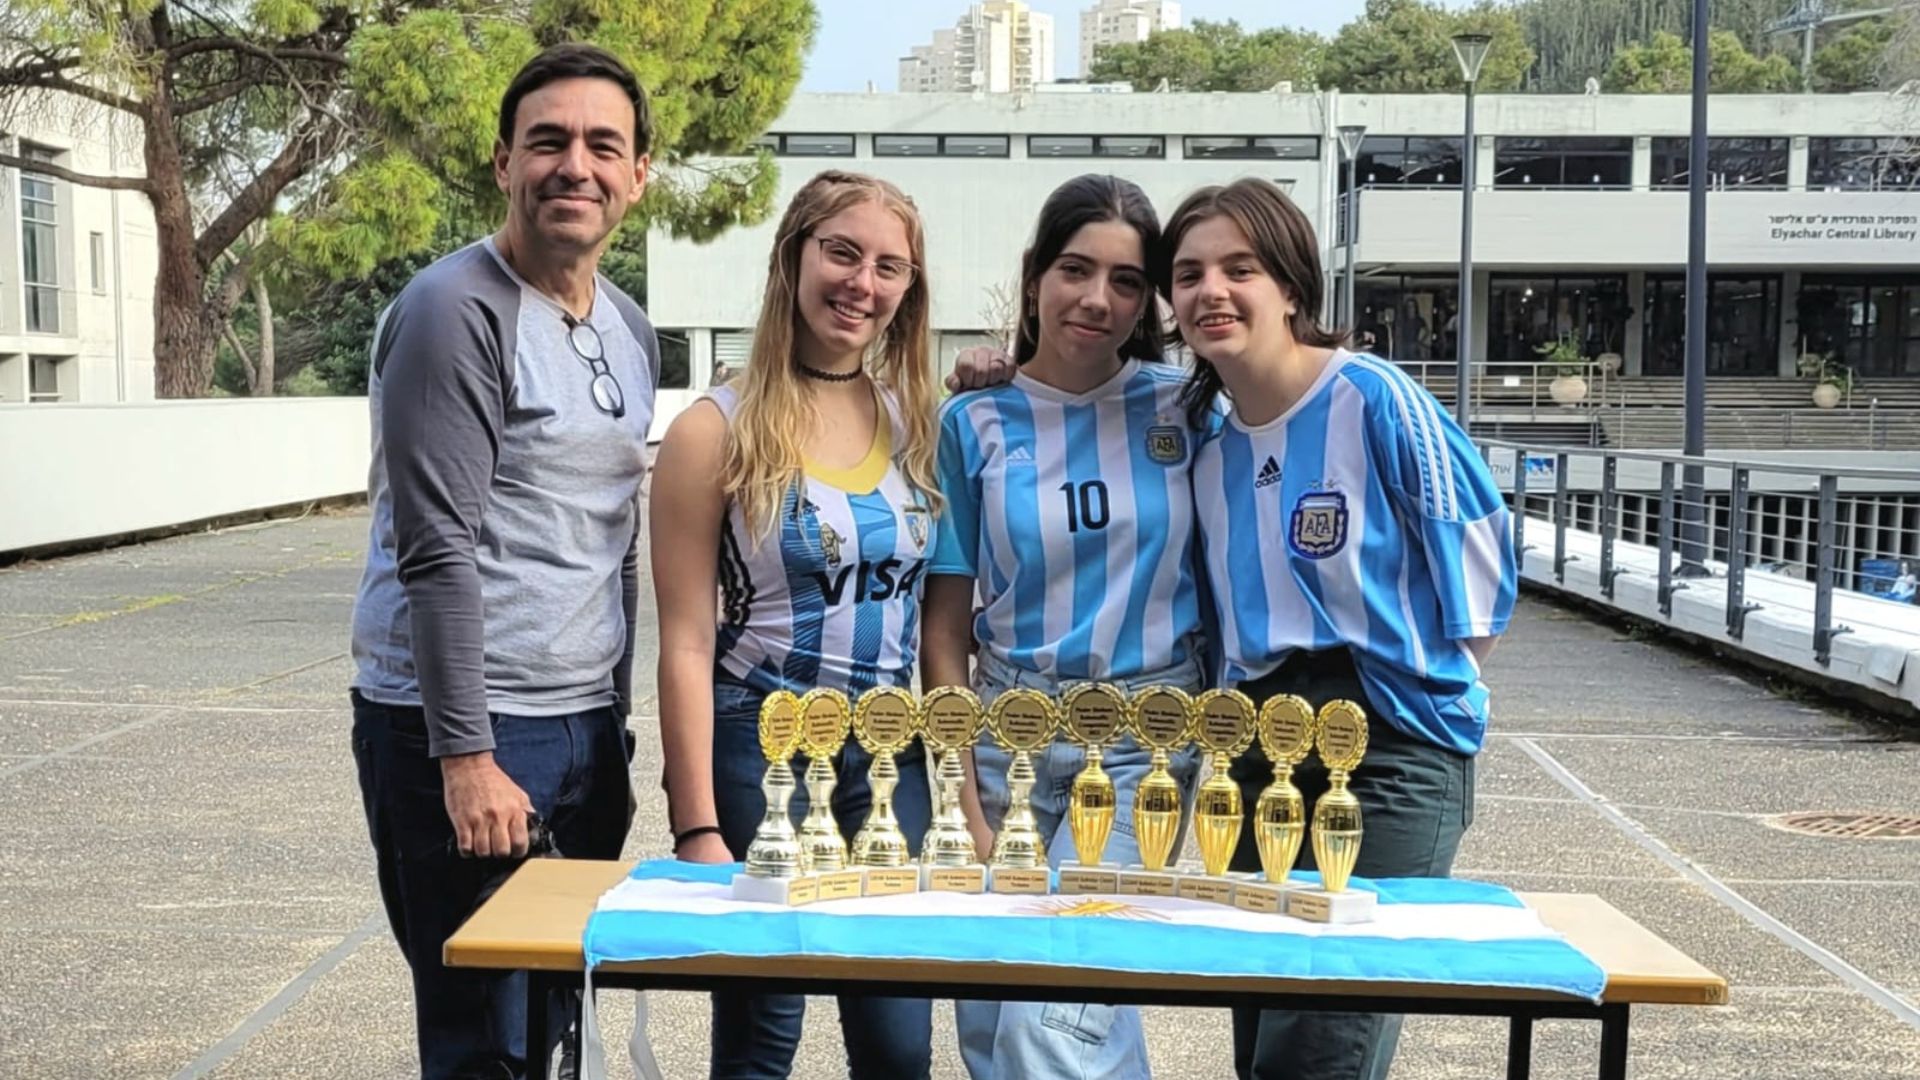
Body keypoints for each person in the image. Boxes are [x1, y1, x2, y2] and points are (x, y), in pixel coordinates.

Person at [348, 43, 656, 1079]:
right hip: (471, 733)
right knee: (481, 1040)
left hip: (581, 729)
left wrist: (611, 719)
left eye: (603, 146)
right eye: (548, 141)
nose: (576, 166)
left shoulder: (628, 327)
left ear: (638, 175)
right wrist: (467, 758)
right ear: (503, 163)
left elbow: (610, 536)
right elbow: (436, 550)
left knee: (555, 1023)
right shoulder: (455, 311)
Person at [1168, 178, 1517, 1080]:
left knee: (1325, 1032)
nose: (1212, 291)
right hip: (1260, 745)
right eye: (1189, 273)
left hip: (1389, 739)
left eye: (1239, 268)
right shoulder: (1207, 441)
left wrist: (1421, 682)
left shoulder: (1373, 397)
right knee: (1262, 1021)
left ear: (1290, 286)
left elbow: (1479, 552)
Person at [649, 169, 942, 1080]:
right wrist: (695, 823)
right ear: (793, 257)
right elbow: (685, 640)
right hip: (761, 744)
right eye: (842, 253)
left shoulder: (918, 420)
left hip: (890, 758)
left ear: (909, 288)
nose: (862, 283)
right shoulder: (713, 430)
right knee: (762, 1032)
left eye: (889, 267)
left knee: (898, 1043)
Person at [923, 174, 1210, 1080]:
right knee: (992, 1023)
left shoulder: (1190, 408)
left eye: (1127, 281)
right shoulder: (971, 419)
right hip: (1004, 733)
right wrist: (959, 794)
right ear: (1035, 276)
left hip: (1140, 743)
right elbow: (944, 631)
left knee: (1056, 1021)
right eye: (1076, 270)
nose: (1098, 299)